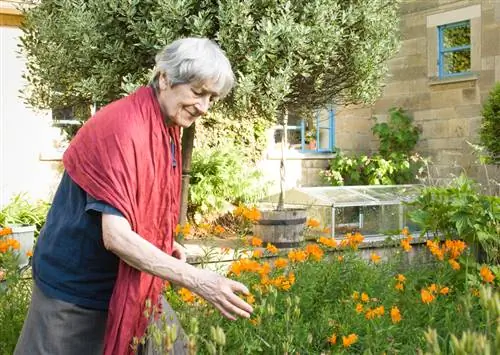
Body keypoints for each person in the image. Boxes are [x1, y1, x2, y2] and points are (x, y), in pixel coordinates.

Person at [15, 37, 253, 355]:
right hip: (75, 293)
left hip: (131, 284)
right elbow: (116, 236)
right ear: (166, 77)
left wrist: (162, 244)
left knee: (173, 347)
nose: (204, 107)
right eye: (198, 92)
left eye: (211, 97)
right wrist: (199, 280)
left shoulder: (164, 125)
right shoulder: (123, 129)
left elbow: (139, 203)